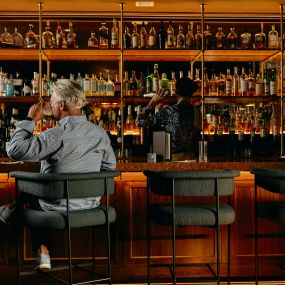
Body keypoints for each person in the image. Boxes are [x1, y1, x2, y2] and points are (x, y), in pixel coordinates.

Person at [0, 79, 116, 270]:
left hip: (55, 206)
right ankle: (9, 210)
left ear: (61, 105)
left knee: (36, 190)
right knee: (40, 189)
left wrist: (31, 120)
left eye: (52, 102)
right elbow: (109, 168)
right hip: (90, 205)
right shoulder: (100, 134)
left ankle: (42, 250)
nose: (49, 106)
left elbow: (15, 150)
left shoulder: (56, 134)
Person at [136, 76, 201, 161]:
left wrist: (152, 102)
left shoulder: (170, 111)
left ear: (176, 91)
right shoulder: (197, 111)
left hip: (174, 161)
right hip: (192, 159)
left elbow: (139, 122)